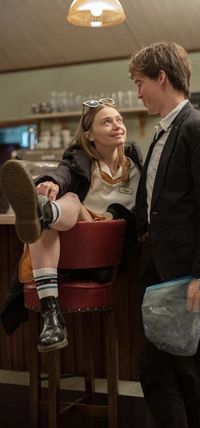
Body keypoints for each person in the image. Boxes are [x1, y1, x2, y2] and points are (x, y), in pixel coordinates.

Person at [129, 42, 200, 428]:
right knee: (156, 372)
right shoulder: (161, 133)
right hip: (160, 273)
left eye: (140, 82)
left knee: (191, 374)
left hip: (191, 274)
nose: (138, 92)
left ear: (161, 77)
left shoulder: (197, 127)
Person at [1, 98, 142, 353]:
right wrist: (51, 183)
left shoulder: (137, 164)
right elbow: (62, 174)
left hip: (109, 253)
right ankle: (51, 317)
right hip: (79, 249)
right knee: (69, 201)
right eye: (107, 122)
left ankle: (44, 212)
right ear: (89, 136)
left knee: (52, 216)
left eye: (119, 120)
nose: (117, 125)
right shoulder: (79, 159)